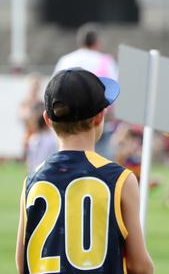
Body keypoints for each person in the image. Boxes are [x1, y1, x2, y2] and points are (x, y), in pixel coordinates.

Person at [15, 68, 153, 274]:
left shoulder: (32, 181)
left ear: (47, 120)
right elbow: (139, 266)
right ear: (99, 117)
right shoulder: (120, 179)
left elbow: (22, 263)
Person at [53, 22, 119, 160]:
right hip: (97, 119)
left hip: (67, 121)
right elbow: (113, 92)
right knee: (101, 160)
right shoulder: (105, 60)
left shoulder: (66, 60)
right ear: (97, 42)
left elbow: (54, 90)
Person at [24, 102, 58, 173]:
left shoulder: (33, 138)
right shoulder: (52, 139)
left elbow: (29, 161)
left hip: (34, 174)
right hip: (48, 174)